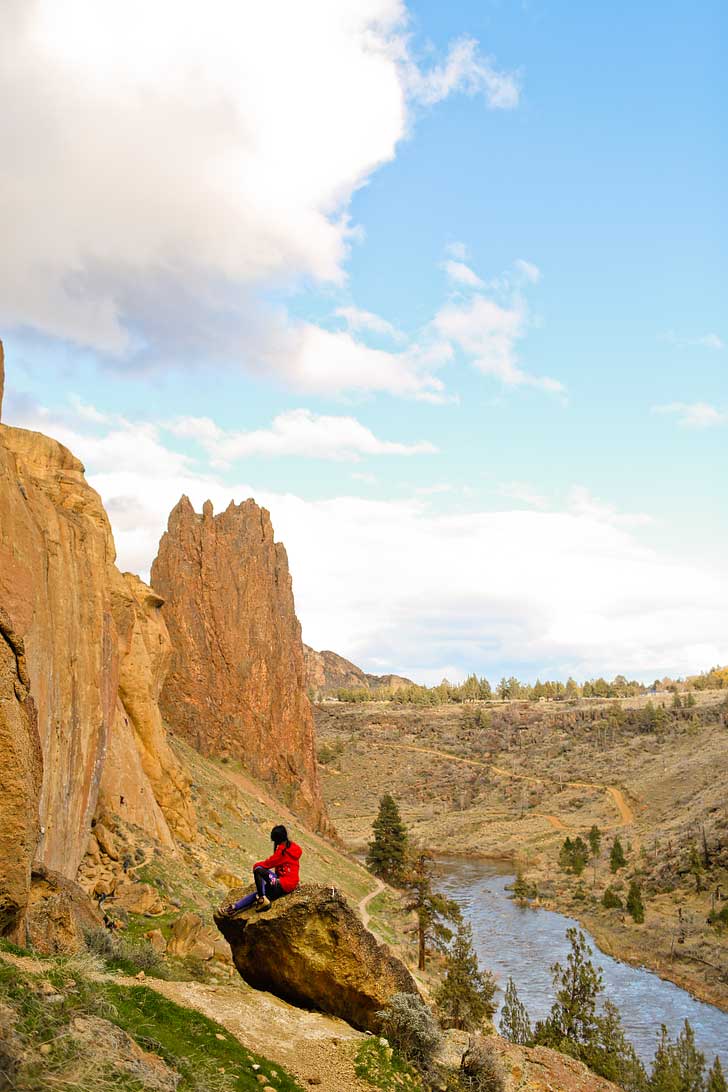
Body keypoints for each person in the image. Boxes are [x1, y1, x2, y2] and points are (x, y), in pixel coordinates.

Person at [221, 825, 302, 915]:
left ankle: (262, 900)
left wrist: (256, 866)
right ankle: (235, 907)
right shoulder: (292, 847)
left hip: (283, 884)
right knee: (259, 893)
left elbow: (267, 864)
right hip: (288, 882)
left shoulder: (283, 851)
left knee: (258, 870)